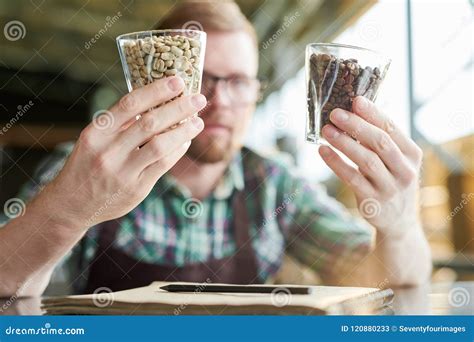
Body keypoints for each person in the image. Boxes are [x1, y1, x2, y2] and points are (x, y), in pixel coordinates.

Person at [0, 0, 431, 297]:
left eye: (239, 81)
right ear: (156, 80)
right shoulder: (89, 169)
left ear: (256, 90)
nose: (221, 100)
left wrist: (399, 225)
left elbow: (387, 282)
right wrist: (69, 210)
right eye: (203, 78)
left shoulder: (275, 185)